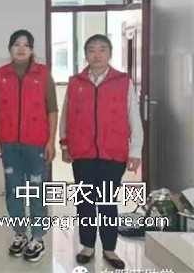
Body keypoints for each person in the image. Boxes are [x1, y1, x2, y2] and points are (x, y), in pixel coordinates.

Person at [59, 34, 144, 270]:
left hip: (113, 153)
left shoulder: (123, 81)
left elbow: (133, 117)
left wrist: (135, 151)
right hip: (83, 153)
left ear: (110, 53)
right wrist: (64, 145)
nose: (97, 54)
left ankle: (109, 249)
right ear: (85, 55)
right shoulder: (75, 82)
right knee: (85, 201)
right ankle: (87, 246)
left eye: (102, 49)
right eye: (92, 50)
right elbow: (66, 115)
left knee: (107, 202)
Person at [0, 29, 58, 262]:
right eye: (16, 44)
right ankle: (20, 234)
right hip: (9, 144)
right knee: (13, 191)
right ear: (10, 48)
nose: (21, 48)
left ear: (31, 49)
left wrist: (50, 141)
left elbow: (52, 109)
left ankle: (38, 238)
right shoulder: (1, 74)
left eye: (26, 45)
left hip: (36, 144)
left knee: (37, 191)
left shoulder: (43, 73)